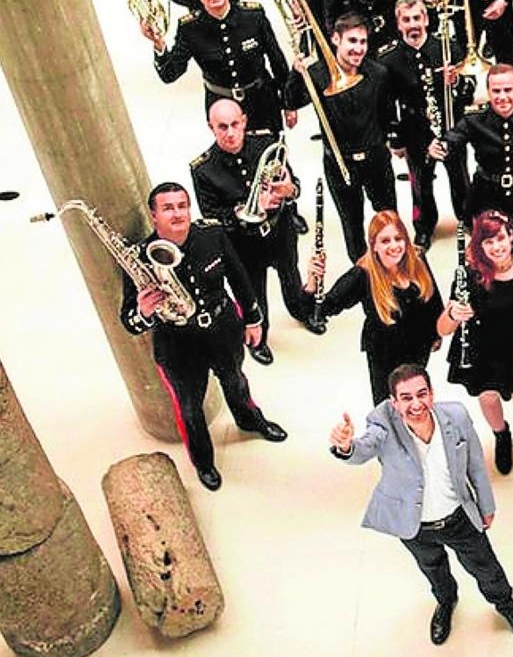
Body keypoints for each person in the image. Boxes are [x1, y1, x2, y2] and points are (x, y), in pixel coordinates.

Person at [328, 365, 513, 645]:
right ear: (394, 402)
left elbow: (475, 464)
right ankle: (446, 603)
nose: (416, 404)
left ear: (432, 393)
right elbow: (363, 448)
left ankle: (505, 605)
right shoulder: (382, 423)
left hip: (458, 517)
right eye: (406, 398)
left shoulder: (456, 416)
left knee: (486, 567)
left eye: (421, 394)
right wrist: (345, 446)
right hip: (415, 526)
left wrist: (486, 506)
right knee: (433, 568)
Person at [120, 183, 287, 491]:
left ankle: (250, 420)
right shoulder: (140, 258)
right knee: (189, 408)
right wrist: (143, 312)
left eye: (182, 205)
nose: (177, 213)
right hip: (177, 345)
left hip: (223, 329)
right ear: (153, 215)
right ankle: (204, 462)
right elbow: (128, 323)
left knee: (236, 380)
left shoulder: (211, 235)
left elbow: (238, 277)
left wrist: (253, 320)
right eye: (168, 208)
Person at [190, 100, 320, 369]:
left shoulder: (266, 145)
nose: (230, 132)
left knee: (290, 276)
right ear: (210, 127)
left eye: (235, 124)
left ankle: (302, 311)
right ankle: (258, 339)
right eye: (222, 127)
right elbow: (213, 219)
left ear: (244, 121)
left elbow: (293, 186)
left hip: (279, 231)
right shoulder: (204, 169)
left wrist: (288, 191)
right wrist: (244, 211)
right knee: (253, 293)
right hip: (243, 245)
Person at [438, 210, 513, 474]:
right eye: (488, 242)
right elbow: (443, 329)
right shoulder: (470, 275)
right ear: (479, 246)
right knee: (488, 397)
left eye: (500, 238)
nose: (496, 247)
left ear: (511, 235)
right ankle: (502, 435)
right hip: (482, 348)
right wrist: (453, 314)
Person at [284, 13, 398, 261]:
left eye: (363, 42)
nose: (358, 49)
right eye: (352, 41)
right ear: (336, 39)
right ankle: (365, 279)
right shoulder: (318, 73)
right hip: (340, 162)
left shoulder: (378, 73)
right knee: (352, 227)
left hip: (375, 159)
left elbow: (387, 114)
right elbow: (291, 101)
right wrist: (296, 73)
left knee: (389, 220)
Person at [305, 211, 443, 405]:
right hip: (386, 355)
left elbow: (434, 302)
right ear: (374, 246)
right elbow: (320, 310)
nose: (394, 246)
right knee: (388, 408)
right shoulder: (362, 275)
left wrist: (436, 335)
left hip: (418, 350)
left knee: (416, 404)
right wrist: (312, 282)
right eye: (385, 241)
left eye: (398, 238)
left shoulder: (417, 260)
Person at [146, 0, 292, 135]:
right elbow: (170, 74)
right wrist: (158, 44)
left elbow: (277, 60)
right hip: (222, 108)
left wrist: (288, 103)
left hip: (261, 101)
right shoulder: (190, 28)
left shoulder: (253, 17)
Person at [431, 63, 513, 244]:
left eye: (507, 90)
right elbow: (454, 137)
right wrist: (440, 145)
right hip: (487, 196)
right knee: (491, 251)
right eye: (496, 91)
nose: (502, 97)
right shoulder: (475, 118)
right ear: (489, 92)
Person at [383, 0, 471, 246]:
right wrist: (397, 140)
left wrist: (457, 82)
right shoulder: (389, 59)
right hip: (415, 131)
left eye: (417, 18)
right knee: (420, 183)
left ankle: (466, 217)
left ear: (426, 19)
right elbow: (390, 105)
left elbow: (468, 91)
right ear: (398, 24)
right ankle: (424, 225)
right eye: (406, 20)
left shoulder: (448, 48)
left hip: (450, 125)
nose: (413, 24)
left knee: (460, 177)